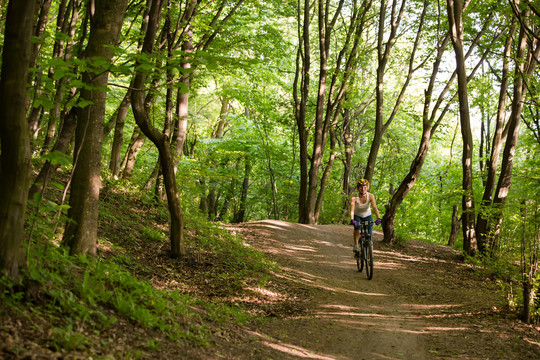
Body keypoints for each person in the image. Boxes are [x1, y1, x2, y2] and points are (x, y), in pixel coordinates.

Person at [349, 179, 381, 255]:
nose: (363, 189)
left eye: (365, 187)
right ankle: (356, 245)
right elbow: (352, 210)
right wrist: (352, 219)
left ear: (367, 187)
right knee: (358, 230)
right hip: (358, 216)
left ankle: (369, 250)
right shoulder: (354, 197)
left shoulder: (370, 196)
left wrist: (378, 218)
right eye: (361, 187)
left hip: (367, 215)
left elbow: (374, 207)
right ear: (358, 188)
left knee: (369, 235)